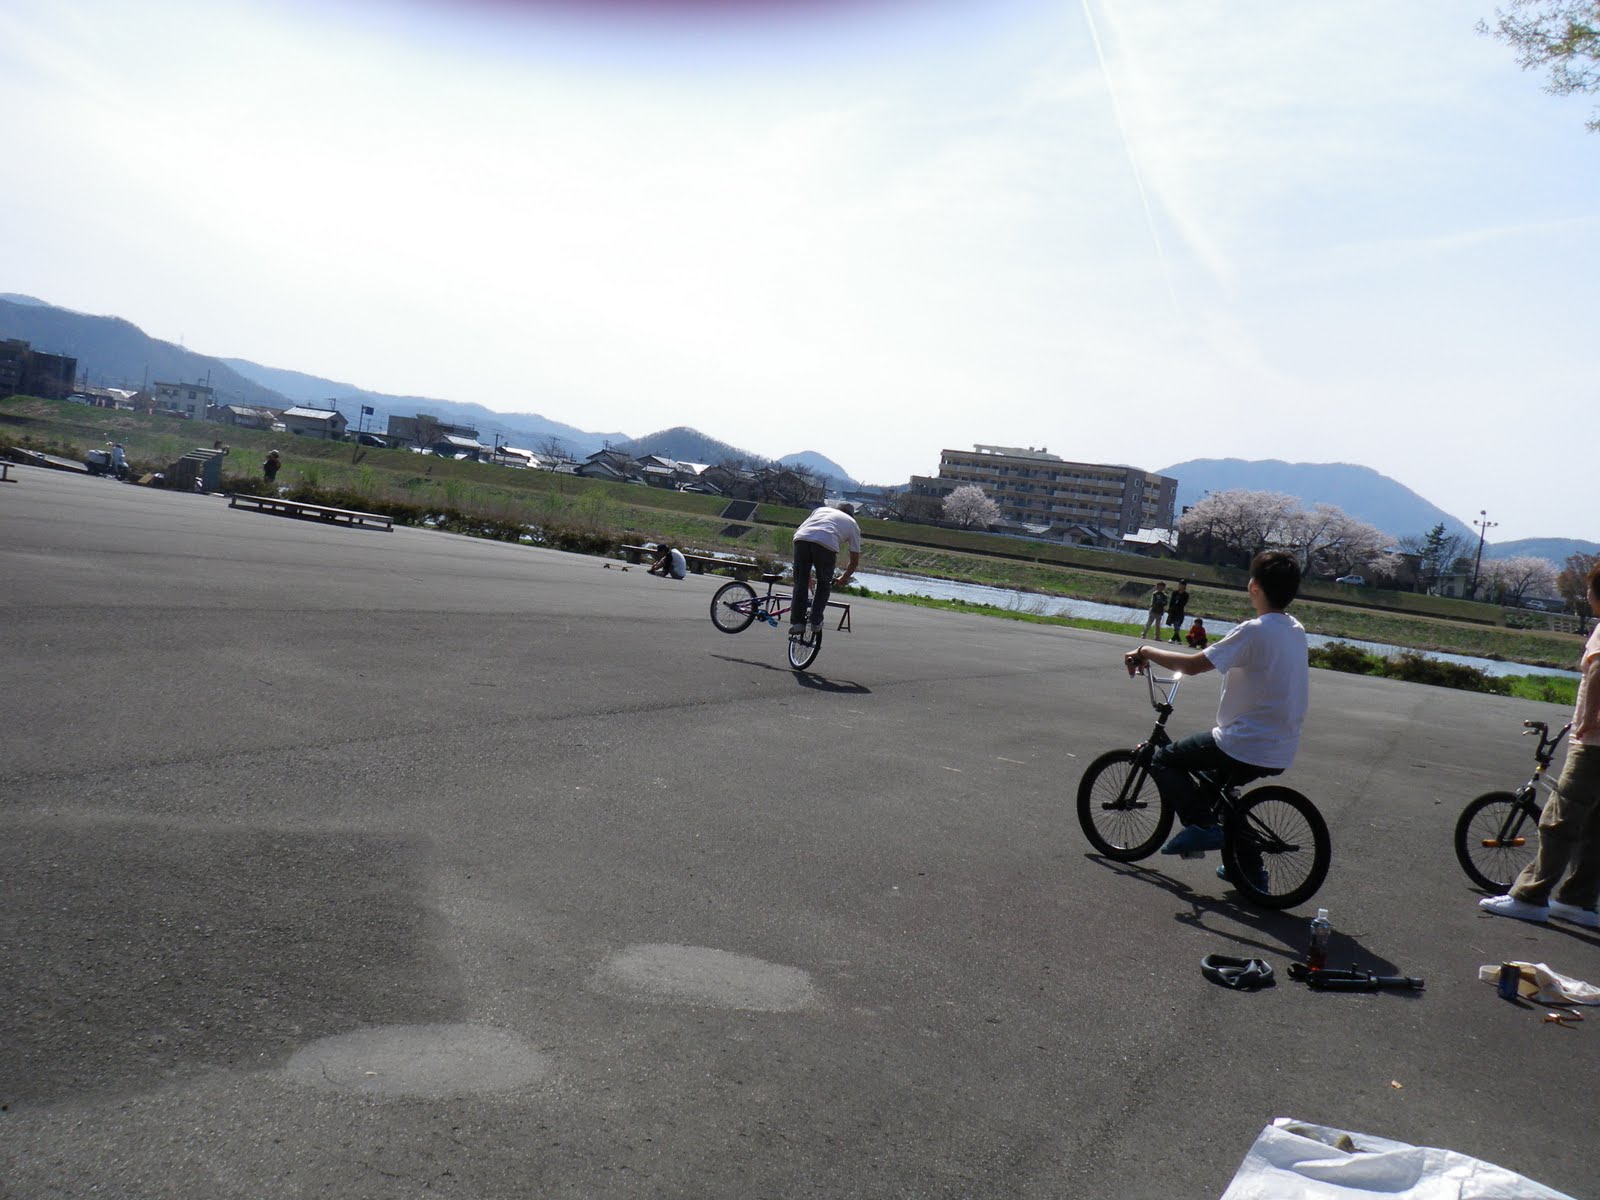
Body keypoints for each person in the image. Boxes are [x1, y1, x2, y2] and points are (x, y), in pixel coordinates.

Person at [1124, 551, 1309, 885]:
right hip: (1281, 744)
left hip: (1244, 740)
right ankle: (1250, 871)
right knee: (1216, 790)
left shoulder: (1254, 630)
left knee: (1164, 760)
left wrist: (1145, 650)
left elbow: (1193, 666)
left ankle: (1203, 827)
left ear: (1254, 587)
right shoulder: (1295, 629)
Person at [1479, 563, 1600, 929]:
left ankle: (1530, 897)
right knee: (1595, 826)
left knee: (1559, 819)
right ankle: (1577, 900)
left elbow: (1598, 671)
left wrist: (1587, 719)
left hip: (1594, 744)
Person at [790, 502, 861, 644]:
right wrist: (844, 577)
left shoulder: (820, 510)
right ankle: (815, 621)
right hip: (826, 543)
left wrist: (804, 574)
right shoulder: (852, 524)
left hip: (801, 539)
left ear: (836, 509)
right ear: (851, 514)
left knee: (800, 583)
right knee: (824, 584)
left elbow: (803, 530)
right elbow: (854, 559)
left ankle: (797, 623)